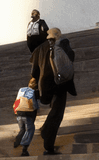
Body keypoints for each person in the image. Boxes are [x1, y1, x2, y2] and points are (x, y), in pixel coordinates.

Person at [30, 27, 76, 155]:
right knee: (57, 113)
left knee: (54, 110)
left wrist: (41, 79)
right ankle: (48, 144)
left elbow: (33, 71)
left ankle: (46, 130)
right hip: (59, 83)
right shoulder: (63, 42)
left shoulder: (39, 48)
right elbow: (71, 58)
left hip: (44, 84)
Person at [13, 77, 40, 156]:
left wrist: (16, 111)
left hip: (19, 113)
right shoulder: (34, 92)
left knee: (22, 129)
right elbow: (34, 105)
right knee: (30, 130)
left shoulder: (21, 89)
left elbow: (17, 101)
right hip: (28, 114)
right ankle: (24, 149)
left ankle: (17, 142)